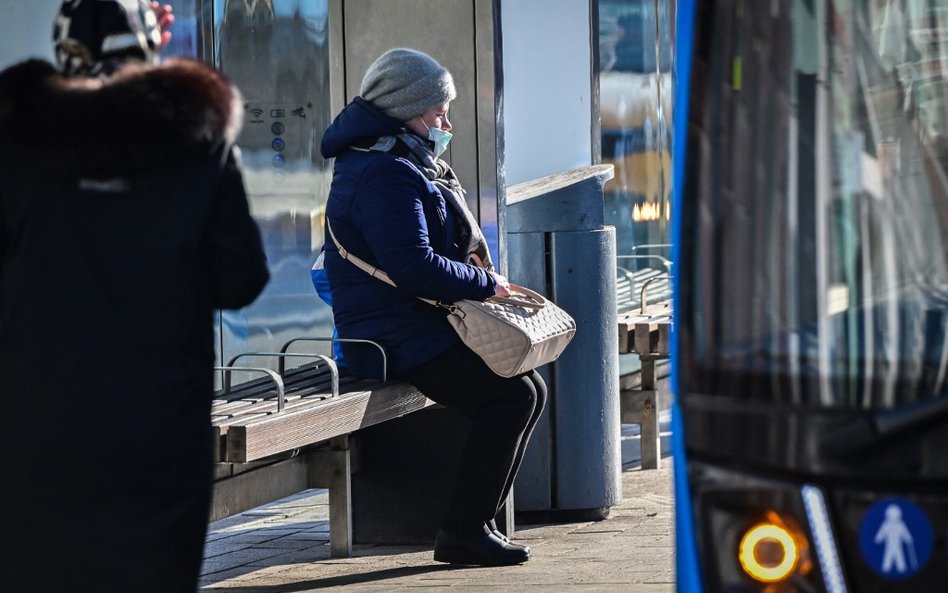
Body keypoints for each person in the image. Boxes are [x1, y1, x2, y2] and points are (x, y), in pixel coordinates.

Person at [0, 1, 269, 591]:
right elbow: (240, 279)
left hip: (33, 423)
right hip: (158, 426)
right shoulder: (197, 145)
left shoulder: (16, 147)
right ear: (149, 48)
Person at [321, 47, 547, 566]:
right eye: (438, 111)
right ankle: (465, 531)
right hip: (391, 334)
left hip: (413, 320)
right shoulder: (384, 172)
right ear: (407, 109)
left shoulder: (398, 160)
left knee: (524, 389)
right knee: (509, 398)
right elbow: (414, 267)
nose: (446, 122)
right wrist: (485, 285)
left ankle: (475, 523)